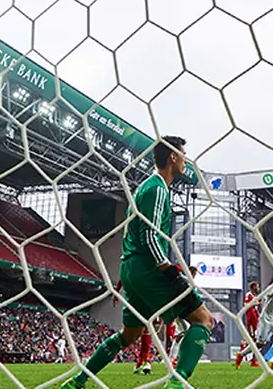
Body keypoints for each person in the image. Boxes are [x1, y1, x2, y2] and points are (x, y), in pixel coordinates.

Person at [62, 136, 214, 389]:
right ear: (173, 156)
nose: (186, 159)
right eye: (183, 153)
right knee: (203, 320)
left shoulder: (145, 187)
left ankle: (77, 381)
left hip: (132, 269)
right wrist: (170, 272)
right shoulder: (156, 188)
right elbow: (149, 235)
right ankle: (177, 384)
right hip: (148, 269)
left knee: (128, 335)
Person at [234, 280, 261, 368]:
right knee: (251, 340)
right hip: (251, 321)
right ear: (253, 287)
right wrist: (256, 303)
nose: (258, 288)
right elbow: (246, 304)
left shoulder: (255, 296)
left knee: (256, 341)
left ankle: (253, 361)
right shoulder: (248, 295)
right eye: (257, 286)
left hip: (256, 321)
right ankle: (240, 356)